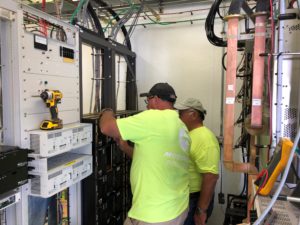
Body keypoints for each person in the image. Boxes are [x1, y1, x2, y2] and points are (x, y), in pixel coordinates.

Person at [99, 82, 191, 225]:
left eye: (147, 101)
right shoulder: (181, 126)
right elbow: (155, 158)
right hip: (176, 207)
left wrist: (107, 112)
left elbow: (106, 127)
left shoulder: (153, 117)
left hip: (155, 213)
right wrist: (125, 148)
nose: (147, 105)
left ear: (155, 99)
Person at [175, 98, 220, 225]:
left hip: (195, 200)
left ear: (194, 114)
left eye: (181, 114)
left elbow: (210, 177)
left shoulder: (204, 138)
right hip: (187, 198)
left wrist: (200, 210)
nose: (178, 118)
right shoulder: (191, 135)